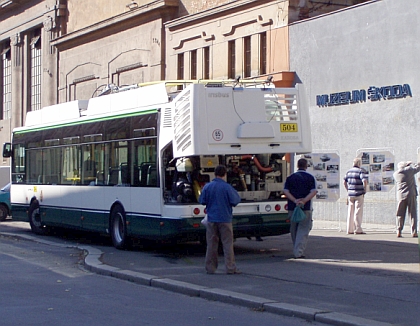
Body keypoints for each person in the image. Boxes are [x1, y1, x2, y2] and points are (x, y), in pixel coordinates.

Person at [199, 165, 242, 274]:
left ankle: (210, 268)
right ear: (225, 174)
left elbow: (202, 200)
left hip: (211, 219)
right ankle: (230, 268)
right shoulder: (227, 187)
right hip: (225, 219)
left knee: (211, 244)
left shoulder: (207, 187)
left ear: (215, 173)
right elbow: (235, 201)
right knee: (227, 244)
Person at [283, 158, 317, 259]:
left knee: (294, 229)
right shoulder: (310, 178)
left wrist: (294, 200)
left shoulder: (290, 178)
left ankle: (296, 247)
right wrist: (304, 201)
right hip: (305, 207)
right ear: (306, 166)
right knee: (303, 229)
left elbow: (285, 191)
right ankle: (298, 252)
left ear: (297, 165)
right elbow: (313, 191)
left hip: (292, 207)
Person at [393, 161, 420, 238]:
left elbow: (406, 169)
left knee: (400, 214)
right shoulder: (409, 170)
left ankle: (399, 230)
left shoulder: (396, 174)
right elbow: (417, 168)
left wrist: (406, 165)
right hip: (411, 194)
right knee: (412, 214)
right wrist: (410, 163)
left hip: (401, 195)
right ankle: (414, 231)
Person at [343, 158, 368, 234]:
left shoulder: (348, 171)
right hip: (359, 193)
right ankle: (357, 229)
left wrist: (348, 189)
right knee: (358, 211)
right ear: (359, 164)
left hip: (350, 194)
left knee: (350, 211)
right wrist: (364, 189)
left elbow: (344, 182)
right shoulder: (360, 171)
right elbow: (364, 181)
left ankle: (349, 229)